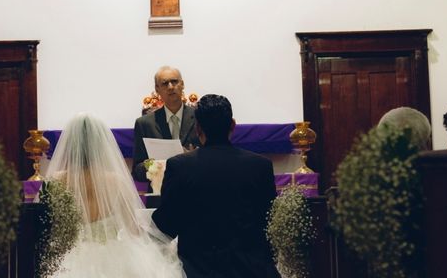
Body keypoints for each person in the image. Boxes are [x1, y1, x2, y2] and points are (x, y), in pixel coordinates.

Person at [152, 94, 280, 278]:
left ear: (198, 128)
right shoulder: (260, 166)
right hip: (253, 269)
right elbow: (269, 221)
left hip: (200, 270)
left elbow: (167, 224)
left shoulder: (179, 166)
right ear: (233, 125)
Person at [46, 112, 185, 277]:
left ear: (69, 145)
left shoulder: (54, 182)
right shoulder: (116, 181)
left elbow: (48, 225)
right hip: (113, 257)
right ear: (101, 145)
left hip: (67, 260)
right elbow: (132, 229)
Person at [132, 66, 199, 182]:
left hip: (194, 192)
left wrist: (194, 157)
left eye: (174, 81)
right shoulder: (144, 124)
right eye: (164, 83)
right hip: (160, 195)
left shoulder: (200, 117)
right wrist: (155, 165)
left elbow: (213, 158)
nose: (170, 87)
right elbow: (137, 170)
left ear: (182, 84)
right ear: (157, 89)